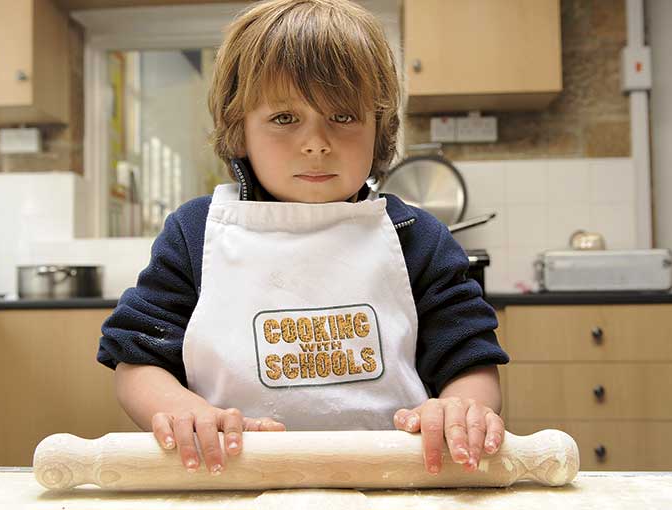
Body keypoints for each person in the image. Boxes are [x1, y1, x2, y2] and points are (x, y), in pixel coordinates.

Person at [98, 0, 509, 478]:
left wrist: (461, 409)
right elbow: (136, 361)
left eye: (343, 116)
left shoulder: (415, 236)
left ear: (380, 130)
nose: (316, 143)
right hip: (228, 480)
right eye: (284, 119)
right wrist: (178, 409)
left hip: (393, 483)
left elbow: (471, 361)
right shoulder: (196, 234)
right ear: (238, 130)